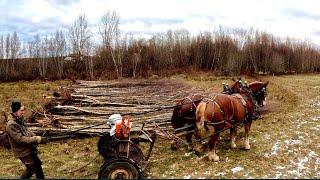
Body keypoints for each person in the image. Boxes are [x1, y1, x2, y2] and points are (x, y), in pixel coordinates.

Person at [6, 101, 45, 179]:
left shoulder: (19, 119)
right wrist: (35, 139)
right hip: (22, 151)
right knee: (32, 168)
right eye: (21, 110)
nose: (23, 112)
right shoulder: (11, 124)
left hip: (29, 148)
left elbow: (27, 131)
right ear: (16, 111)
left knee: (37, 165)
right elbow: (20, 139)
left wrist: (35, 136)